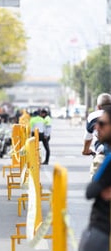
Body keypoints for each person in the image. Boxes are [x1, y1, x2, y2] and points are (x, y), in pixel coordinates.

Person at [79, 105, 111, 250]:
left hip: (102, 229)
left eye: (102, 124)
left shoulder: (108, 159)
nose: (97, 127)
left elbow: (90, 191)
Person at [82, 93, 111, 178]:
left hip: (102, 153)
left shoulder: (93, 116)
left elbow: (88, 138)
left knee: (96, 182)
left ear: (98, 106)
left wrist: (85, 150)